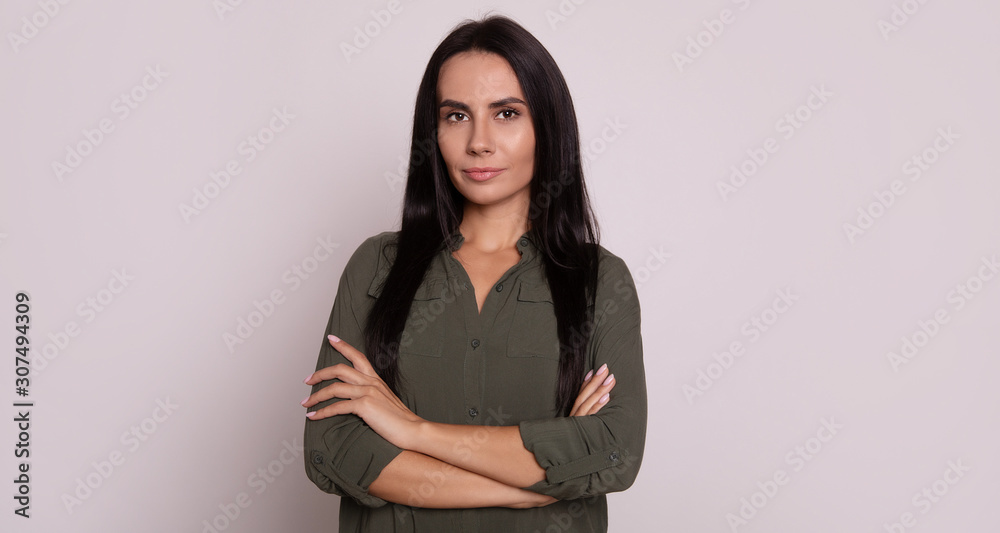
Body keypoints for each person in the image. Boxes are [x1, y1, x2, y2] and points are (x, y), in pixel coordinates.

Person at [301, 13, 646, 532]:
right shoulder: (376, 267)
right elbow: (334, 451)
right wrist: (533, 482)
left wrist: (413, 430)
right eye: (456, 116)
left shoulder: (601, 280)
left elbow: (614, 451)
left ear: (546, 126)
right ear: (433, 131)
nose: (479, 142)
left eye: (506, 113)